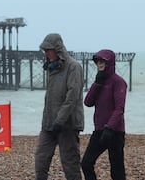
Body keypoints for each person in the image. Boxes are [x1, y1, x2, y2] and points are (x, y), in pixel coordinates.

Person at [35, 33, 84, 180]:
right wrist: (49, 121)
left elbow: (72, 97)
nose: (46, 53)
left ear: (58, 49)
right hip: (49, 123)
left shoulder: (73, 67)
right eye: (44, 50)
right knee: (40, 161)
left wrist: (60, 120)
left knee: (70, 164)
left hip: (68, 124)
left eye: (48, 50)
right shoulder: (51, 67)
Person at [81, 49, 127, 180]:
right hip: (99, 130)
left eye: (103, 61)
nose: (99, 64)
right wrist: (97, 83)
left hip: (115, 132)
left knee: (117, 170)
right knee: (86, 163)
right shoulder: (99, 82)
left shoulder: (118, 82)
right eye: (98, 61)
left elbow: (119, 108)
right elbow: (88, 102)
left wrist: (110, 127)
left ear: (110, 62)